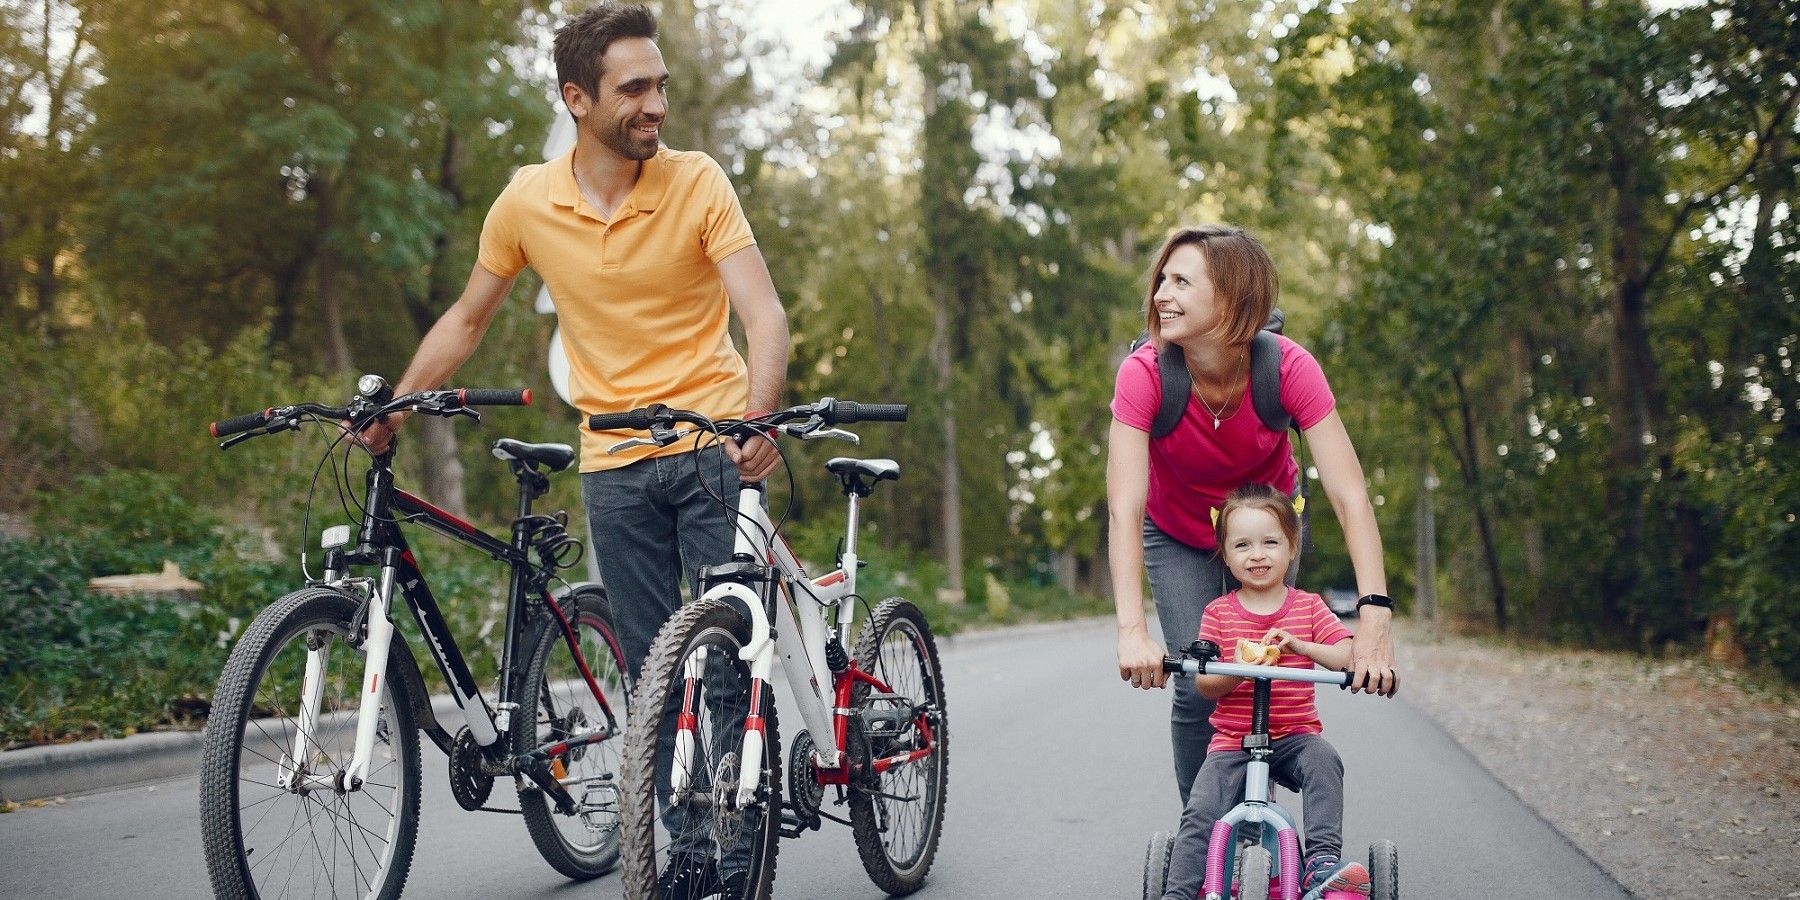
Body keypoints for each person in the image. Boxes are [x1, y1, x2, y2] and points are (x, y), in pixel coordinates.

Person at [356, 5, 787, 896]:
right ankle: (686, 847)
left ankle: (738, 841)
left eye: (660, 85)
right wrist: (395, 405)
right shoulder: (527, 201)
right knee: (648, 670)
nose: (655, 104)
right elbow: (467, 318)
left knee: (719, 658)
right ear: (577, 99)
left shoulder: (699, 182)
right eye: (635, 88)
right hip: (613, 465)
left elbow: (764, 315)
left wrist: (759, 419)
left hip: (711, 444)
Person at [1107, 224, 1397, 805]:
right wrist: (1132, 630)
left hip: (1265, 527)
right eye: (1162, 278)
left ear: (1234, 299)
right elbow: (1124, 505)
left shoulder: (1288, 368)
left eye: (1182, 281)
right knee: (1201, 682)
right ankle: (1205, 833)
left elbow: (1350, 495)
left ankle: (1264, 800)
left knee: (1266, 670)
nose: (1162, 293)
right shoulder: (1144, 375)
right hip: (1177, 532)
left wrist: (1375, 619)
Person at [1160, 483, 1372, 900]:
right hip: (1232, 742)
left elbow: (1346, 655)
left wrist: (1299, 646)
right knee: (1201, 810)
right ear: (1225, 554)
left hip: (1295, 736)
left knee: (1324, 760)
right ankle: (1179, 892)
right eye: (1242, 545)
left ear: (1291, 547)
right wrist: (1240, 670)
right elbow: (1204, 684)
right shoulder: (1218, 612)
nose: (1257, 554)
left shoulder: (1308, 606)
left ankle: (1322, 867)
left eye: (1270, 542)